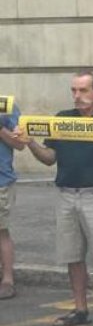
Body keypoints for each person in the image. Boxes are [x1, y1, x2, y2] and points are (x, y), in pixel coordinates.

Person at [16, 72, 93, 326]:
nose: (77, 96)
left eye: (83, 90)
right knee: (72, 255)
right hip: (66, 193)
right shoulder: (63, 119)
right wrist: (30, 142)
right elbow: (49, 157)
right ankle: (80, 308)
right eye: (74, 91)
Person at [0, 96, 24, 300]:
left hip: (1, 179)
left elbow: (20, 144)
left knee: (1, 231)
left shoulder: (6, 106)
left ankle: (7, 279)